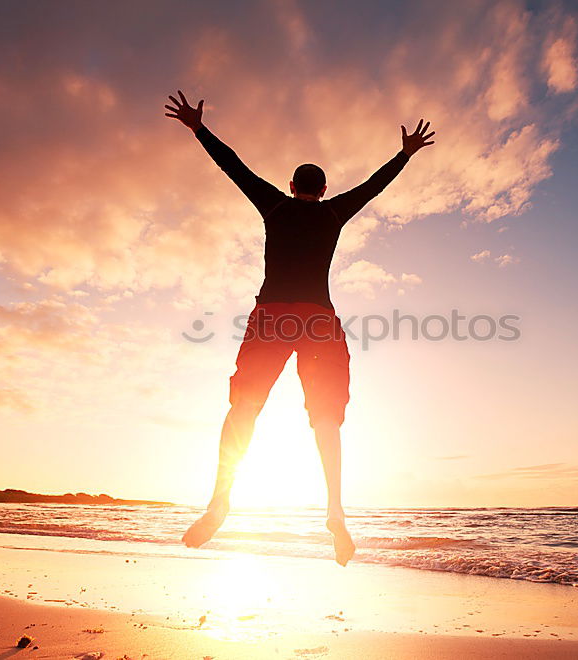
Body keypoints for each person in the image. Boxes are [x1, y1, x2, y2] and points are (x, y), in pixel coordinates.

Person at [164, 90, 435, 565]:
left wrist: (198, 128)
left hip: (273, 317)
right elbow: (374, 186)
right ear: (324, 190)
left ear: (291, 186)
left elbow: (235, 168)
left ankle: (220, 500)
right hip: (319, 321)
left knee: (244, 407)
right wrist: (405, 155)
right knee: (326, 418)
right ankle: (335, 511)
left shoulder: (275, 206)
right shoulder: (332, 213)